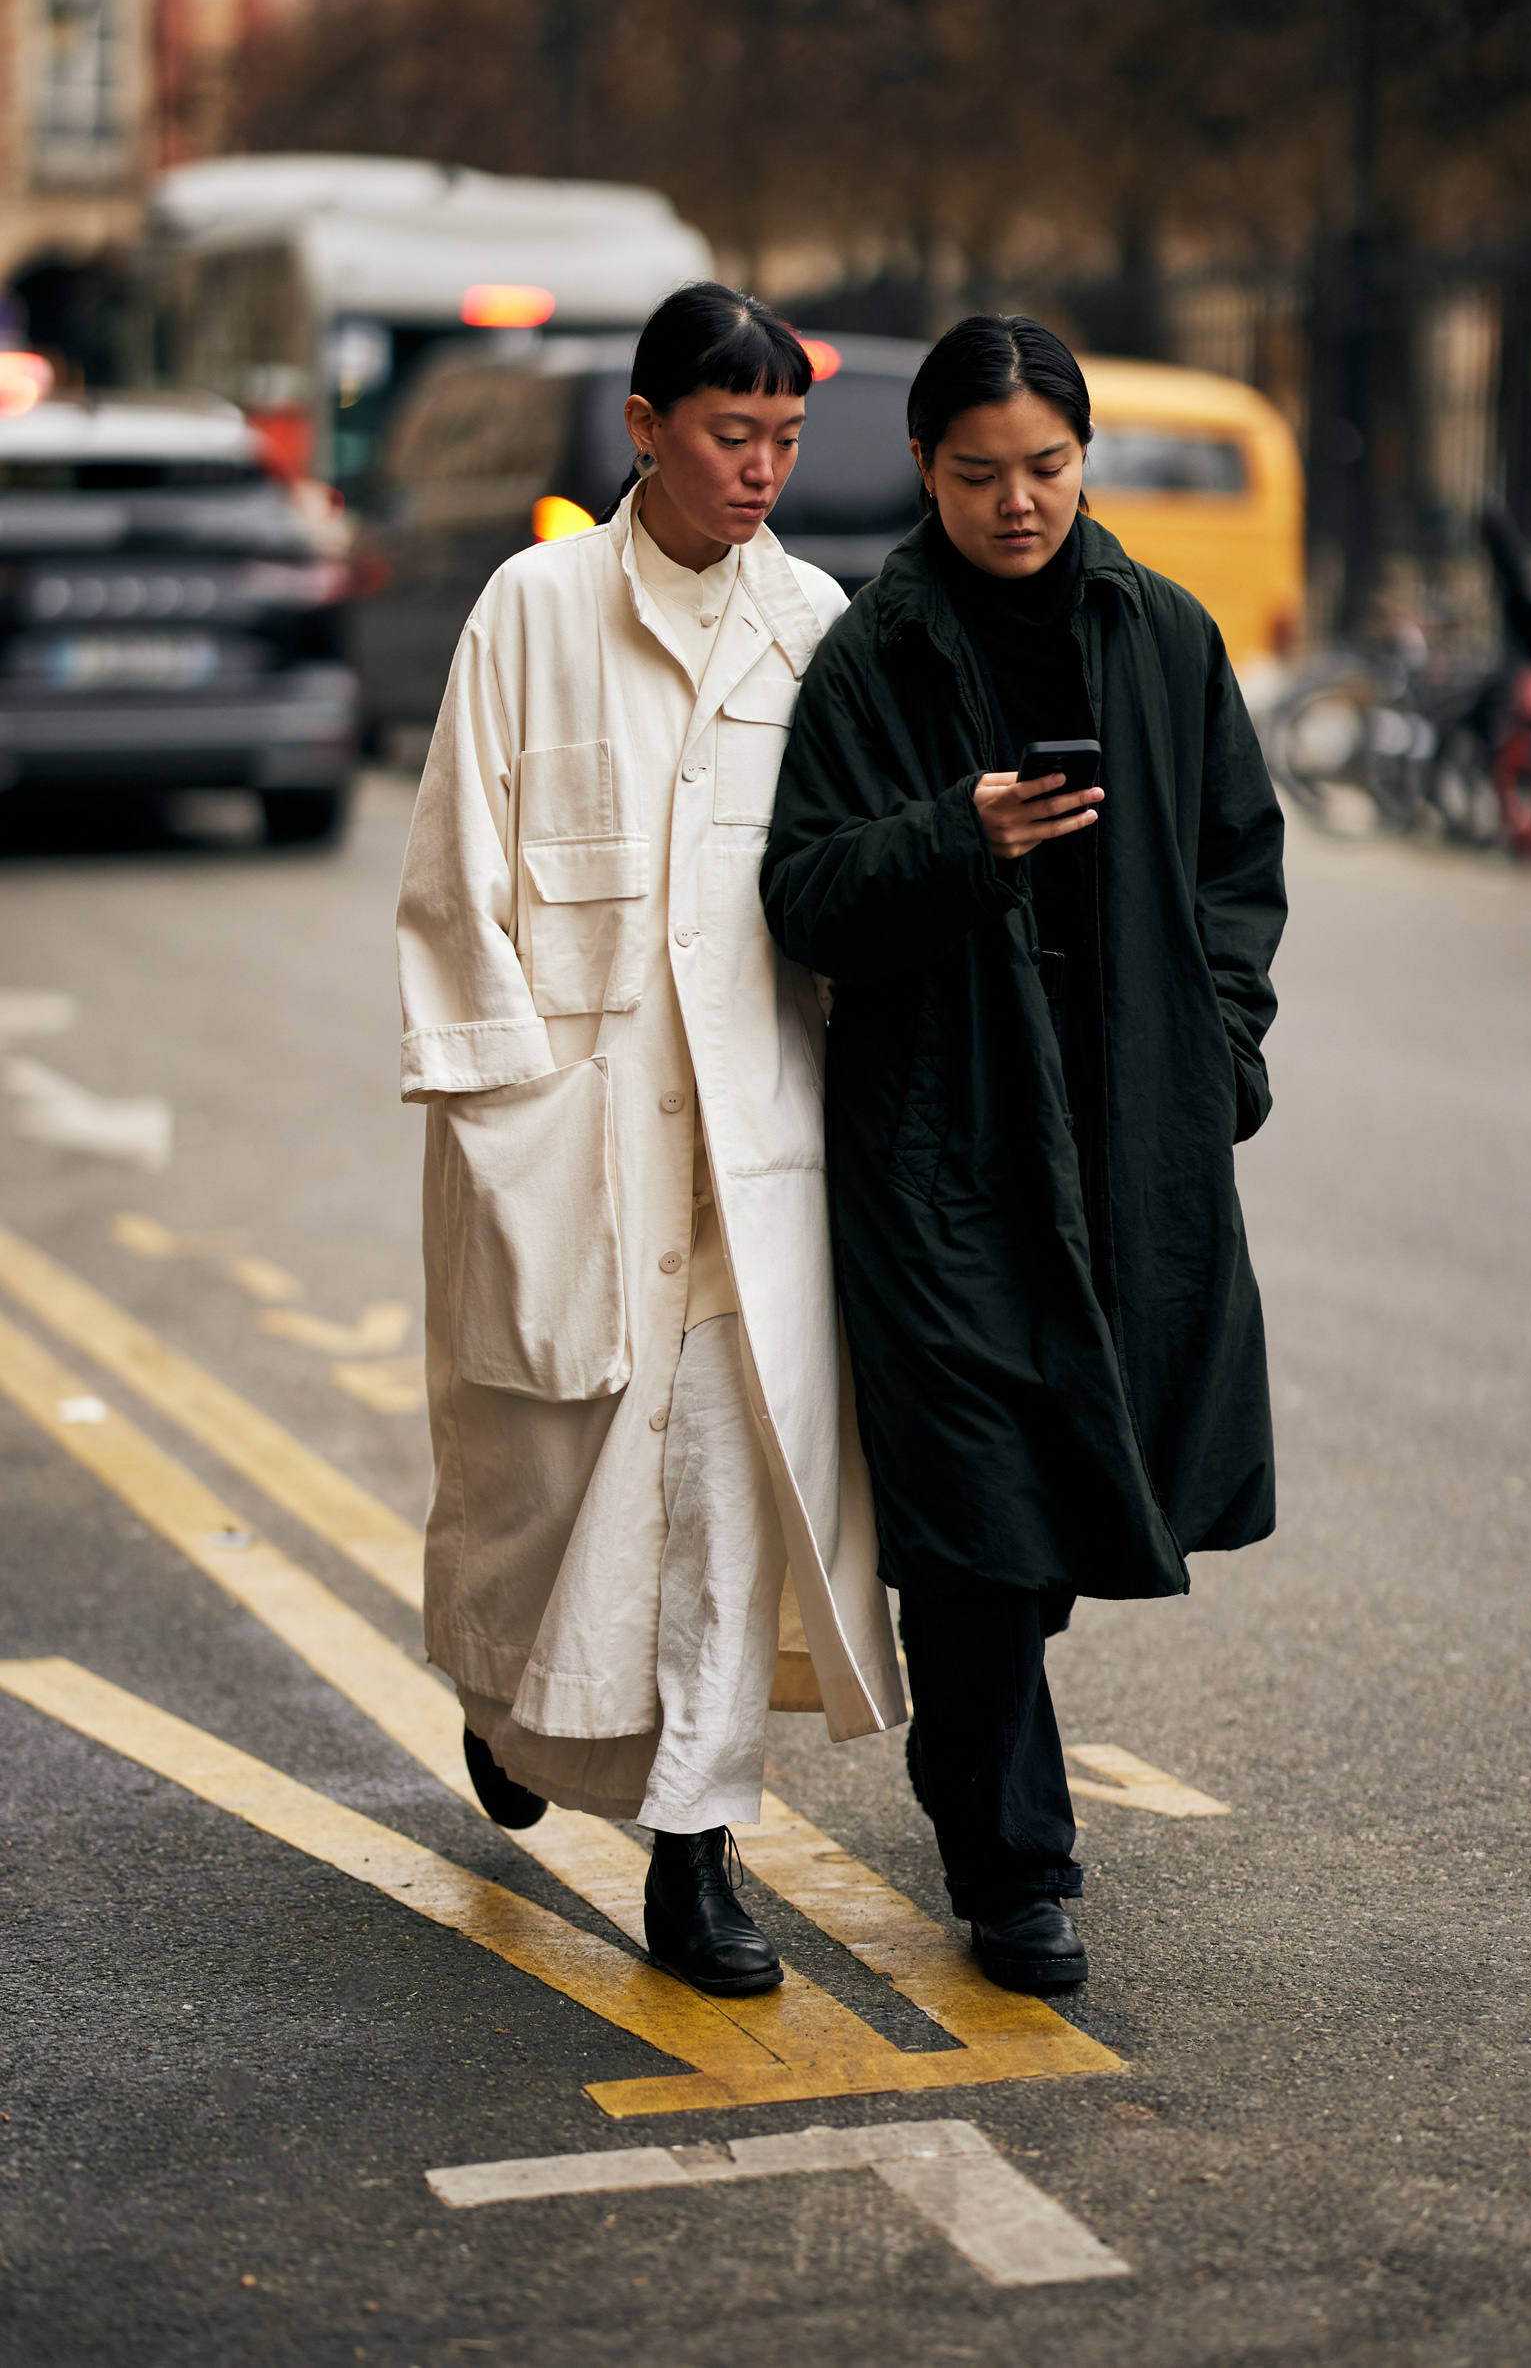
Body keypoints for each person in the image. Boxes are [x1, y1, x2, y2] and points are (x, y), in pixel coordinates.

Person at [761, 315, 1286, 1995]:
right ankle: (1014, 1873)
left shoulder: (1164, 632)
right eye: (979, 474)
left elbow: (1235, 859)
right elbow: (809, 893)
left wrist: (1223, 1046)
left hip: (1128, 1138)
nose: (1018, 505)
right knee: (977, 1524)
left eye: (1047, 469)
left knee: (1056, 1509)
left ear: (1085, 463)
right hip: (945, 1149)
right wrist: (958, 838)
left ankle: (991, 1779)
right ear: (923, 469)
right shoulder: (876, 656)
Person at [395, 283, 905, 1998]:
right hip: (570, 1139)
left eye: (783, 440)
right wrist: (499, 1123)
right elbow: (455, 881)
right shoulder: (531, 610)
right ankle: (507, 1705)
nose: (760, 471)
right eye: (725, 435)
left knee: (715, 1509)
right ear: (643, 429)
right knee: (535, 1490)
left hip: (745, 1155)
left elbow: (835, 890)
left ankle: (698, 1858)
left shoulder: (814, 625)